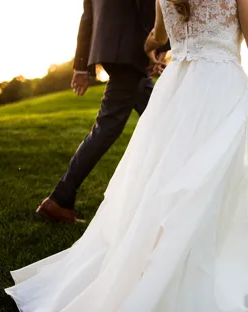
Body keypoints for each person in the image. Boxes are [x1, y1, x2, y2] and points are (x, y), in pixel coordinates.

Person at [5, 0, 248, 312]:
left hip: (175, 88)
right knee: (201, 185)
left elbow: (156, 40)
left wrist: (172, 50)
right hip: (217, 90)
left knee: (166, 183)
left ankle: (149, 269)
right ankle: (164, 285)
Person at [36, 0, 169, 223]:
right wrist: (158, 45)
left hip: (114, 52)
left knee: (165, 121)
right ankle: (59, 199)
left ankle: (164, 198)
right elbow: (148, 5)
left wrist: (80, 66)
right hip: (131, 52)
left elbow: (88, 18)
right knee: (106, 128)